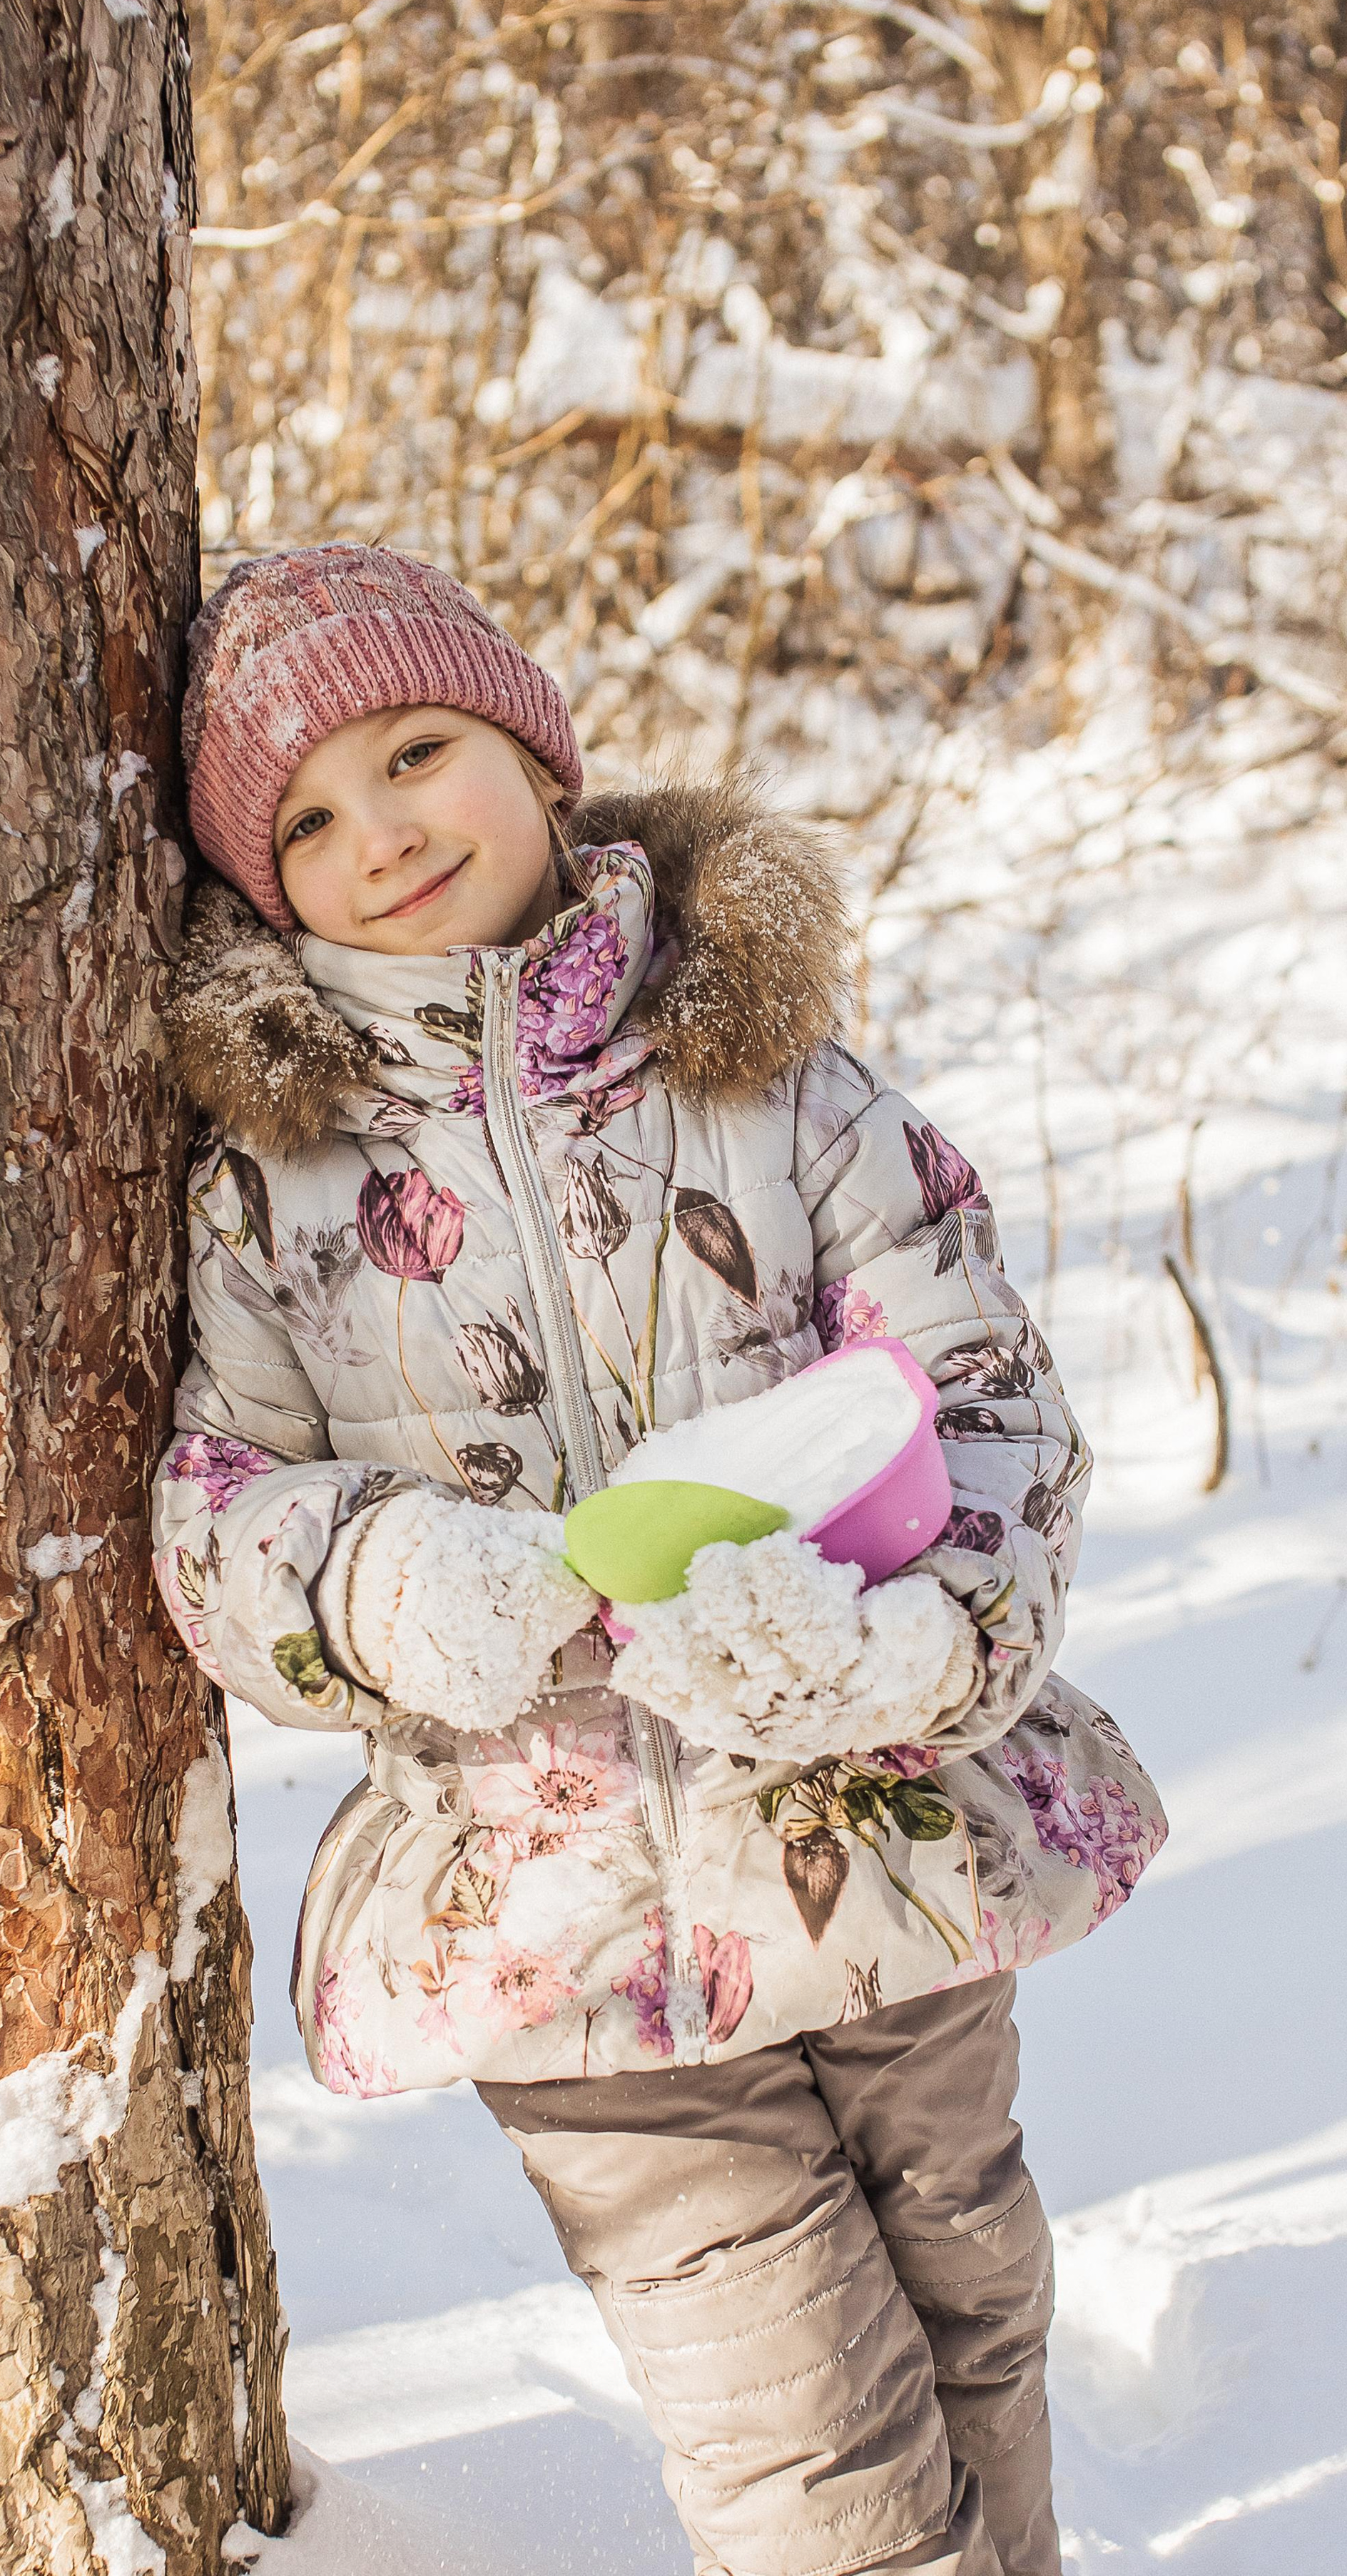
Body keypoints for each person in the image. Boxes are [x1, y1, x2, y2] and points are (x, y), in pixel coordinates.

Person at [152, 544, 1166, 2576]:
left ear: (535, 750)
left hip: (881, 1839)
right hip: (566, 1919)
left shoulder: (777, 1083)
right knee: (804, 2444)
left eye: (417, 751)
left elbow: (980, 1393)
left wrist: (906, 1643)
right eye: (312, 823)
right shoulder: (277, 1185)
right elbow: (213, 1506)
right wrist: (389, 1583)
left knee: (973, 2302)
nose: (383, 836)